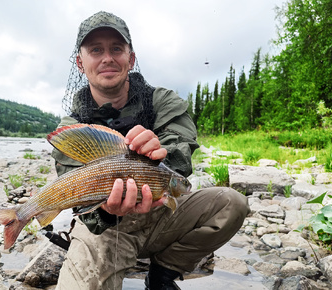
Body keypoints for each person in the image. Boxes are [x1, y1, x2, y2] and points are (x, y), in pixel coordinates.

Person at [52, 11, 250, 290]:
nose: (107, 57)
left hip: (162, 213)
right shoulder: (71, 128)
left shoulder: (161, 100)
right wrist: (108, 211)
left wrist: (160, 153)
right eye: (96, 50)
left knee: (231, 203)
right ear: (80, 62)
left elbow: (180, 151)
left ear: (130, 59)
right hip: (107, 229)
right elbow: (86, 214)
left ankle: (162, 275)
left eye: (117, 48)